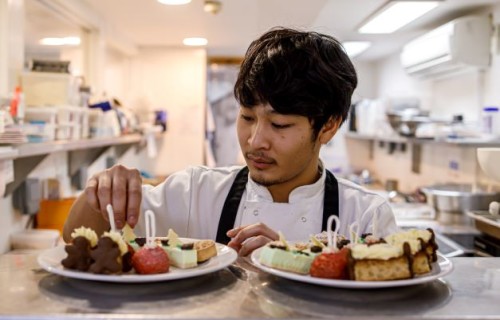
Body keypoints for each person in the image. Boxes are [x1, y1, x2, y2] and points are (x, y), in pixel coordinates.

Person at [63, 27, 398, 256]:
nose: (255, 141)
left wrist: (294, 263)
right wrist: (101, 191)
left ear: (328, 127)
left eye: (279, 124)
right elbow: (75, 238)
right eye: (247, 117)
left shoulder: (367, 216)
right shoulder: (197, 190)